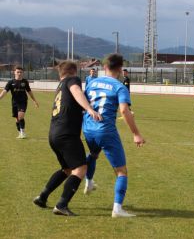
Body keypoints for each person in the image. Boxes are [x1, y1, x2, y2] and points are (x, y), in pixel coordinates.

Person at [32, 61, 102, 216]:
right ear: (73, 72)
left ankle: (42, 197)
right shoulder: (72, 80)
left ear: (60, 73)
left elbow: (69, 105)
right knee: (80, 169)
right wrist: (89, 109)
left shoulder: (60, 86)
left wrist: (81, 112)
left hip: (54, 134)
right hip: (67, 134)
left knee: (67, 169)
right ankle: (62, 205)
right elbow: (77, 91)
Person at [83, 53, 145, 218]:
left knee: (94, 154)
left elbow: (83, 103)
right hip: (105, 129)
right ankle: (117, 209)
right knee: (121, 171)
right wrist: (136, 134)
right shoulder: (119, 87)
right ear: (120, 68)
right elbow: (124, 110)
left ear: (104, 67)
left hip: (88, 128)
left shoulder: (92, 82)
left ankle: (88, 182)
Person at [0, 66, 39, 139]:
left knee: (20, 116)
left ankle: (22, 133)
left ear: (23, 73)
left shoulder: (25, 82)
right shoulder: (10, 82)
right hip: (14, 102)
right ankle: (20, 132)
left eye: (21, 72)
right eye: (17, 72)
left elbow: (29, 91)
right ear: (14, 72)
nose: (19, 73)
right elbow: (4, 91)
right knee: (17, 119)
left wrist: (34, 100)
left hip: (23, 102)